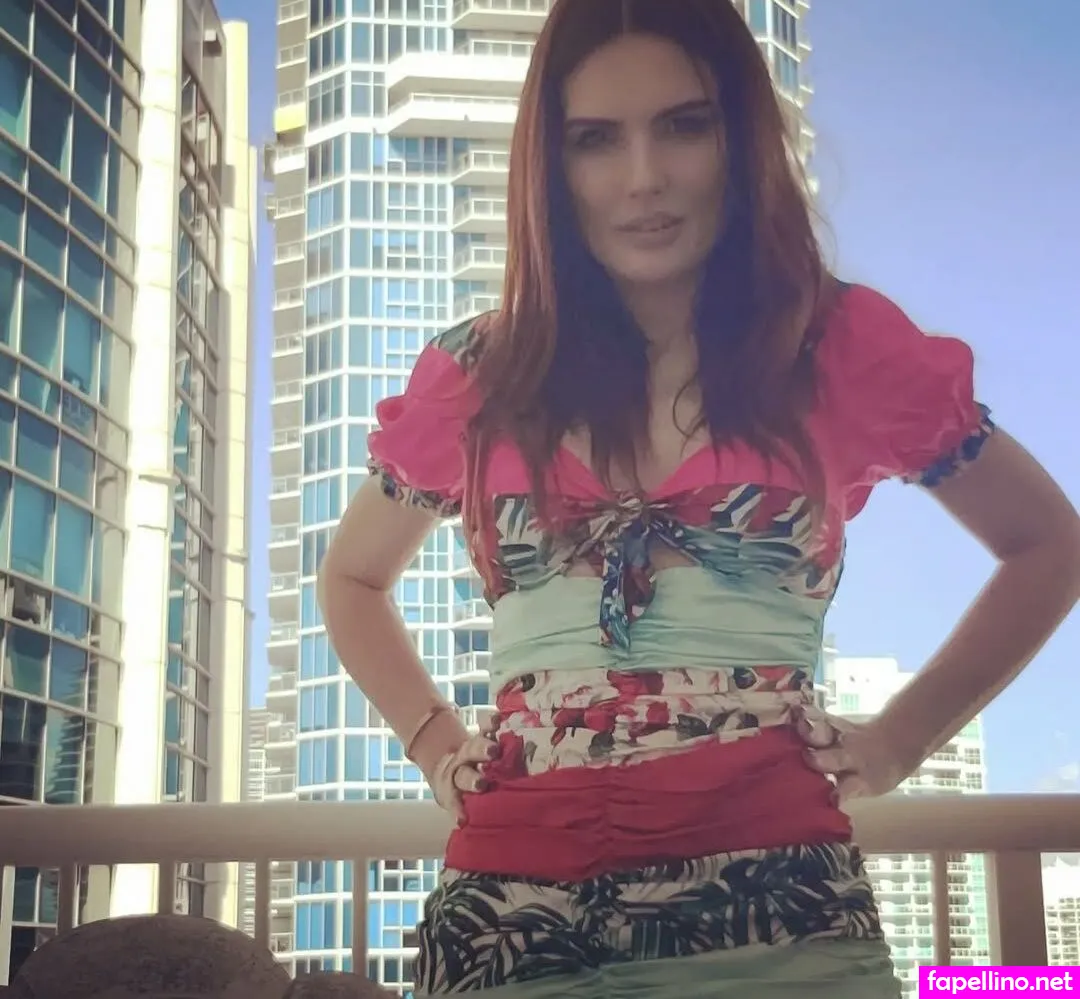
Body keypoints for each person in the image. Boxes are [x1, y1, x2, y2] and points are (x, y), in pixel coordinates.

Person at [317, 0, 1080, 995]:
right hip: (508, 924)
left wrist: (902, 738)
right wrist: (432, 742)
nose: (643, 178)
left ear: (741, 139)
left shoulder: (837, 346)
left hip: (779, 920)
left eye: (684, 125)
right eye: (596, 139)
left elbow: (1050, 545)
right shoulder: (483, 372)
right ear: (552, 166)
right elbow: (352, 577)